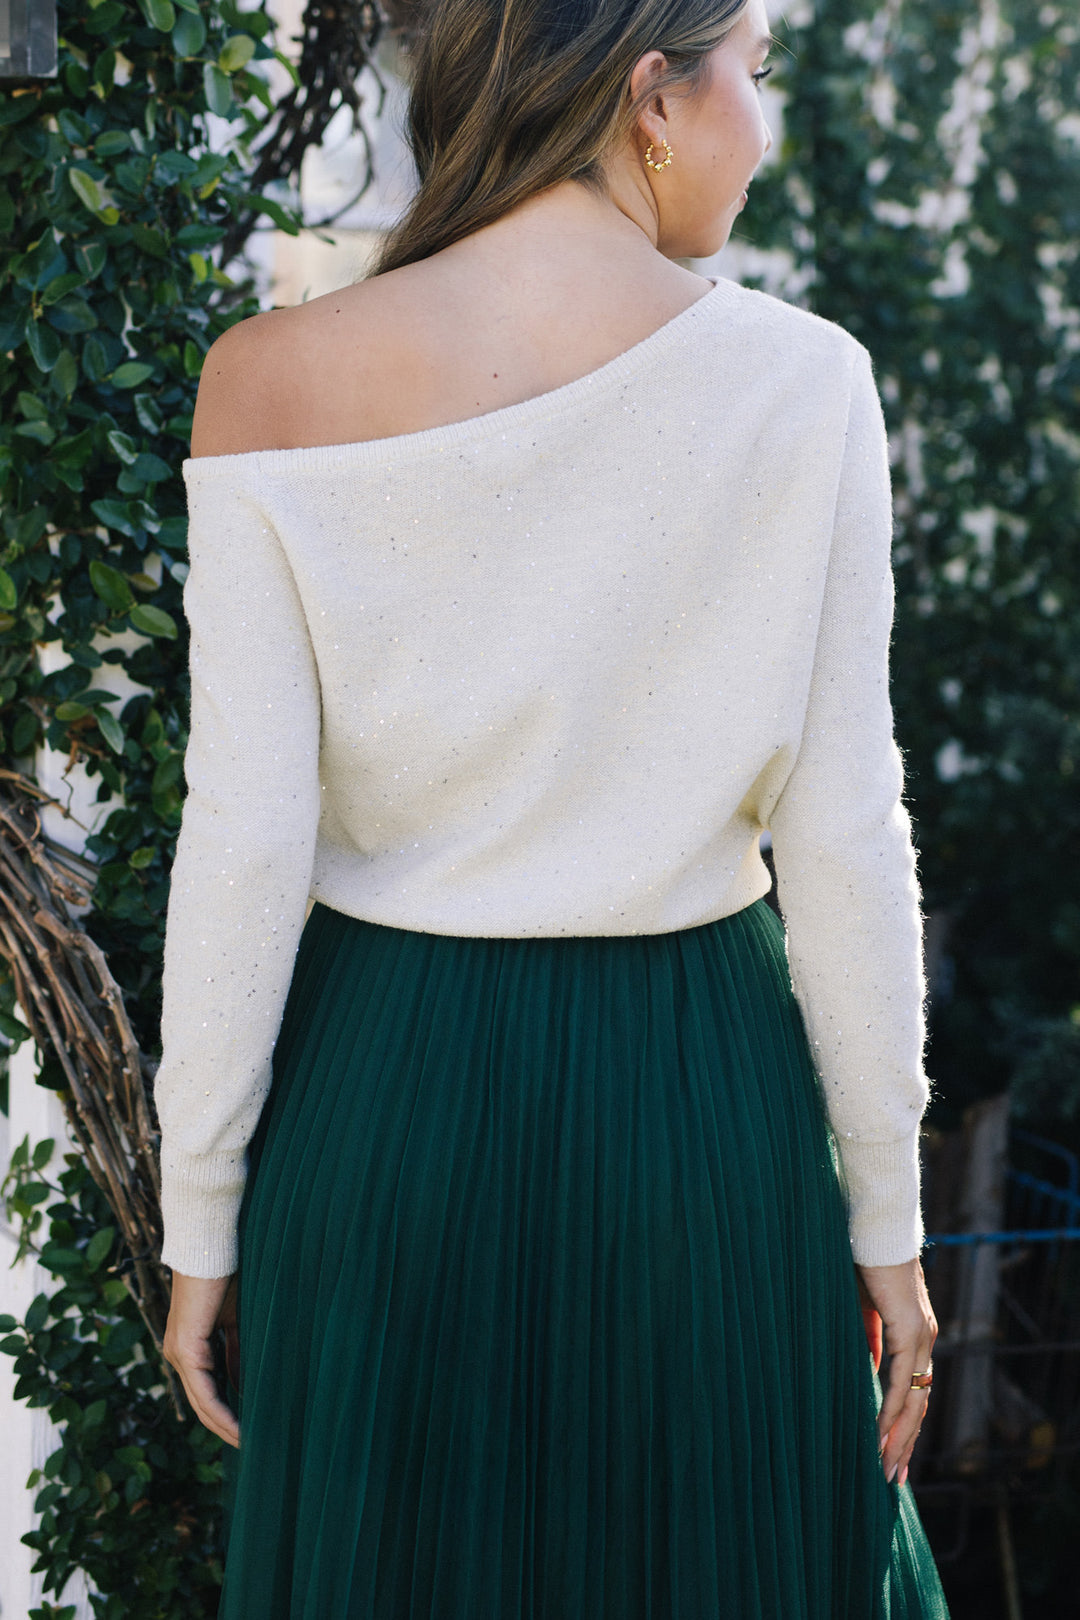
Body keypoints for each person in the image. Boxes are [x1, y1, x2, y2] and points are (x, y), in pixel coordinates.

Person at [158, 0, 951, 1612]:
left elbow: (240, 840)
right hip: (698, 1105)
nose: (766, 120)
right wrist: (888, 1206)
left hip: (387, 1107)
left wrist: (203, 1214)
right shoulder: (805, 388)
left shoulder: (269, 380)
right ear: (653, 98)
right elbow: (847, 837)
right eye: (760, 71)